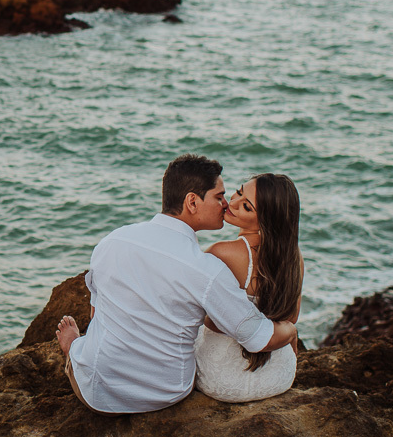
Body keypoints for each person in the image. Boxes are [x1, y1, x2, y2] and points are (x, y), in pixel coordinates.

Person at [55, 154, 298, 414]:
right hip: (166, 394)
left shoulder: (111, 241)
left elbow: (96, 312)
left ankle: (74, 348)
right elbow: (256, 338)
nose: (226, 204)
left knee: (96, 332)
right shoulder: (207, 269)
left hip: (95, 391)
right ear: (192, 202)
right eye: (219, 196)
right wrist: (290, 330)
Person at [193, 174, 303, 402]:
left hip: (221, 380)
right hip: (278, 377)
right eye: (239, 192)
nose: (231, 203)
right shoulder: (294, 258)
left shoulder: (221, 253)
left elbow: (210, 321)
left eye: (246, 206)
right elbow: (291, 318)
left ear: (266, 220)